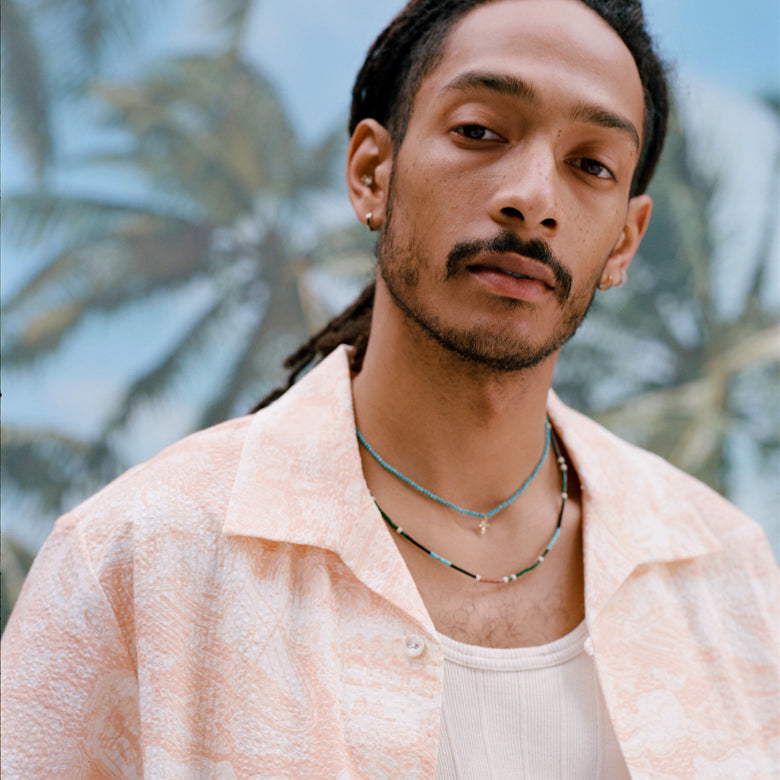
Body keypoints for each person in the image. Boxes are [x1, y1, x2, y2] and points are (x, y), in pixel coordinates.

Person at [2, 0, 777, 777]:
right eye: (480, 131)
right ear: (373, 172)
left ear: (626, 241)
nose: (533, 198)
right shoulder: (136, 562)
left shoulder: (729, 578)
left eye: (591, 164)